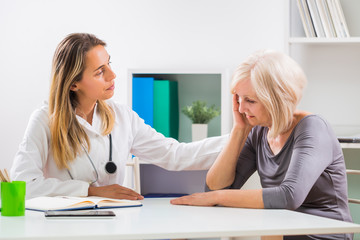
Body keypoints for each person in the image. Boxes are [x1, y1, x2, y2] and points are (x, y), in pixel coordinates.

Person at [10, 33, 227, 200]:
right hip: (62, 228)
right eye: (99, 72)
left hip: (113, 225)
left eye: (109, 64)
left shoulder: (122, 117)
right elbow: (23, 185)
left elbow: (175, 155)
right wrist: (91, 191)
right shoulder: (45, 119)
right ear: (73, 84)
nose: (112, 76)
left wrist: (240, 138)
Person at [171, 49, 353, 240]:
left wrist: (216, 197)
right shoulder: (259, 131)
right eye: (239, 99)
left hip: (324, 235)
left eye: (250, 100)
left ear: (276, 100)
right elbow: (215, 187)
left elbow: (288, 196)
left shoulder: (313, 128)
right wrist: (239, 131)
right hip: (282, 232)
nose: (241, 109)